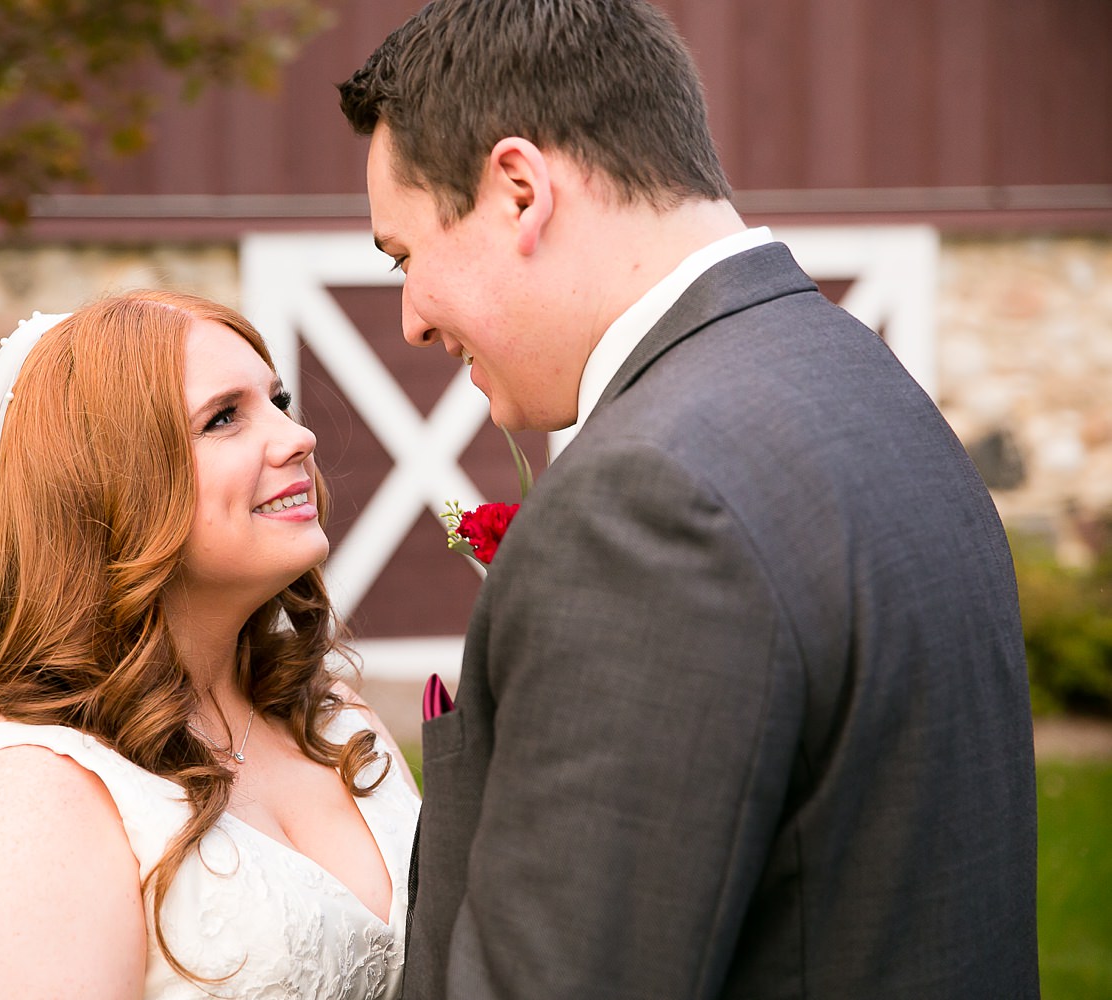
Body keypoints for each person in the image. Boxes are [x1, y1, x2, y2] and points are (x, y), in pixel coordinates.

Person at [338, 2, 1039, 998]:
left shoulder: (648, 500)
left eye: (404, 256)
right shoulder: (863, 386)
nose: (409, 320)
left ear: (519, 191)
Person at [0, 290, 420, 1000]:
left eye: (277, 401)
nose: (297, 437)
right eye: (224, 417)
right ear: (109, 485)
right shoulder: (22, 803)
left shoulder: (336, 722)